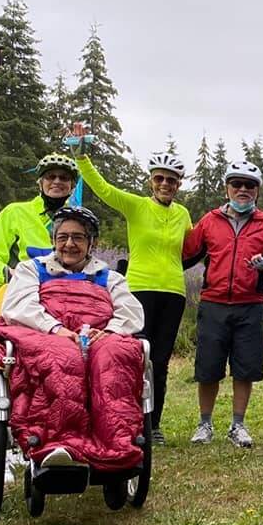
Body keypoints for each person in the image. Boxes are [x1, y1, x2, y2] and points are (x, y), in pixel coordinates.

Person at [0, 206, 146, 470]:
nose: (69, 244)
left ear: (92, 243)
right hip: (45, 333)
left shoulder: (109, 277)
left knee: (115, 354)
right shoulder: (32, 269)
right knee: (63, 357)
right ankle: (58, 444)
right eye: (62, 237)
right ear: (54, 241)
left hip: (97, 335)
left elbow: (131, 312)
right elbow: (20, 307)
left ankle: (117, 444)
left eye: (78, 237)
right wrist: (56, 329)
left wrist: (110, 331)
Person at [76, 150, 193, 446]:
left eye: (171, 180)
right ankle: (129, 420)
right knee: (134, 357)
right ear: (151, 181)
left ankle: (153, 425)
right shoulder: (136, 206)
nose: (165, 184)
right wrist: (82, 158)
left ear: (179, 184)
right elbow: (102, 189)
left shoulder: (182, 214)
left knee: (160, 361)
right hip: (139, 289)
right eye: (160, 178)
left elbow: (194, 247)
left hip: (174, 292)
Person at [183, 160, 263, 448]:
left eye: (249, 186)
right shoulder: (210, 220)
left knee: (245, 368)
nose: (243, 190)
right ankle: (205, 424)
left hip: (250, 304)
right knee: (208, 367)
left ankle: (237, 425)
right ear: (227, 187)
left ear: (257, 191)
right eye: (237, 184)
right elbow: (187, 252)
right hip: (214, 302)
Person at [0, 153, 75, 319]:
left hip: (50, 303)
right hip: (5, 298)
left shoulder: (75, 220)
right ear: (40, 183)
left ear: (72, 186)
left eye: (64, 178)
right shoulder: (15, 212)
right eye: (50, 176)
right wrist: (12, 274)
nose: (57, 181)